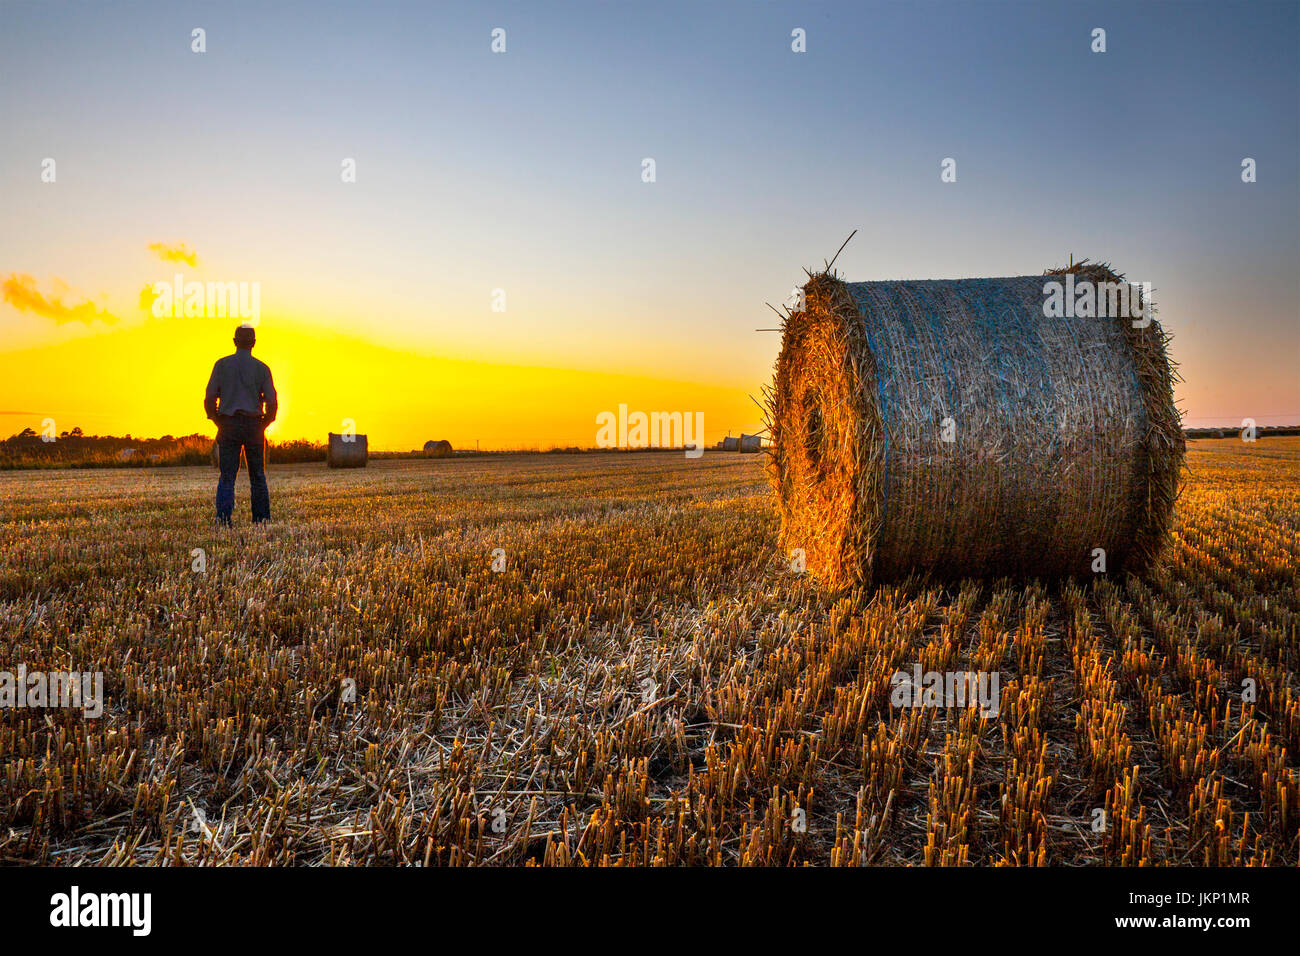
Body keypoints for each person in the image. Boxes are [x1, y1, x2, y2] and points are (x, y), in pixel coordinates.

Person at [204, 324, 277, 524]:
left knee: (227, 476)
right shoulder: (262, 369)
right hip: (254, 425)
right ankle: (261, 521)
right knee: (258, 476)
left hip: (228, 424)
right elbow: (271, 402)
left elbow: (210, 398)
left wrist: (218, 420)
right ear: (253, 343)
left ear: (234, 342)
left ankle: (223, 520)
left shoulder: (221, 365)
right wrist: (264, 424)